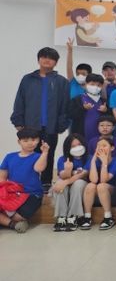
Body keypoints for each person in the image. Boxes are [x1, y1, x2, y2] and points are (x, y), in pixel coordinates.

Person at [11, 47, 70, 188]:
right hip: (30, 125)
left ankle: (45, 184)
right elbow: (20, 100)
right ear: (38, 59)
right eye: (44, 57)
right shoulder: (27, 79)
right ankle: (28, 183)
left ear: (56, 62)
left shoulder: (61, 81)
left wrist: (62, 124)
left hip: (51, 126)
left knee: (48, 155)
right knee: (28, 155)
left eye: (51, 58)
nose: (47, 60)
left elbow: (65, 104)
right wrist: (18, 121)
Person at [0, 129, 49, 233]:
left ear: (38, 140)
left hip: (32, 194)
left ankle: (7, 221)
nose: (30, 143)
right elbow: (2, 178)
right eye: (26, 140)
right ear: (19, 142)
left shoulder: (38, 156)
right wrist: (3, 193)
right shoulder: (10, 157)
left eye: (33, 140)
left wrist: (45, 152)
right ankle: (13, 224)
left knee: (20, 216)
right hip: (12, 193)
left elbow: (39, 168)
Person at [81, 136, 116, 230]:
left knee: (101, 186)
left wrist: (104, 163)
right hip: (97, 189)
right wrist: (93, 162)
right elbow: (94, 180)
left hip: (113, 189)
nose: (101, 148)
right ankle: (87, 217)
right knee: (90, 185)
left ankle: (108, 217)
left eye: (104, 145)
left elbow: (104, 180)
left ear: (112, 148)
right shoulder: (93, 159)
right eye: (98, 146)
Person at [52, 134, 90, 231]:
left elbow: (83, 174)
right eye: (73, 146)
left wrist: (65, 182)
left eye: (79, 144)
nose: (77, 148)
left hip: (82, 183)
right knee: (60, 184)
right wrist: (68, 171)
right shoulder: (62, 159)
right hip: (67, 180)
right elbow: (62, 175)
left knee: (77, 184)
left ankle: (74, 216)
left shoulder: (89, 158)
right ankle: (61, 217)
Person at [69, 73, 108, 144]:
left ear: (102, 86)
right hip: (81, 135)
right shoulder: (77, 99)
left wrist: (106, 111)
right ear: (86, 84)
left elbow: (110, 119)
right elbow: (71, 115)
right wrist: (83, 108)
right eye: (92, 84)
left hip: (100, 137)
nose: (95, 87)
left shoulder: (103, 101)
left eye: (98, 85)